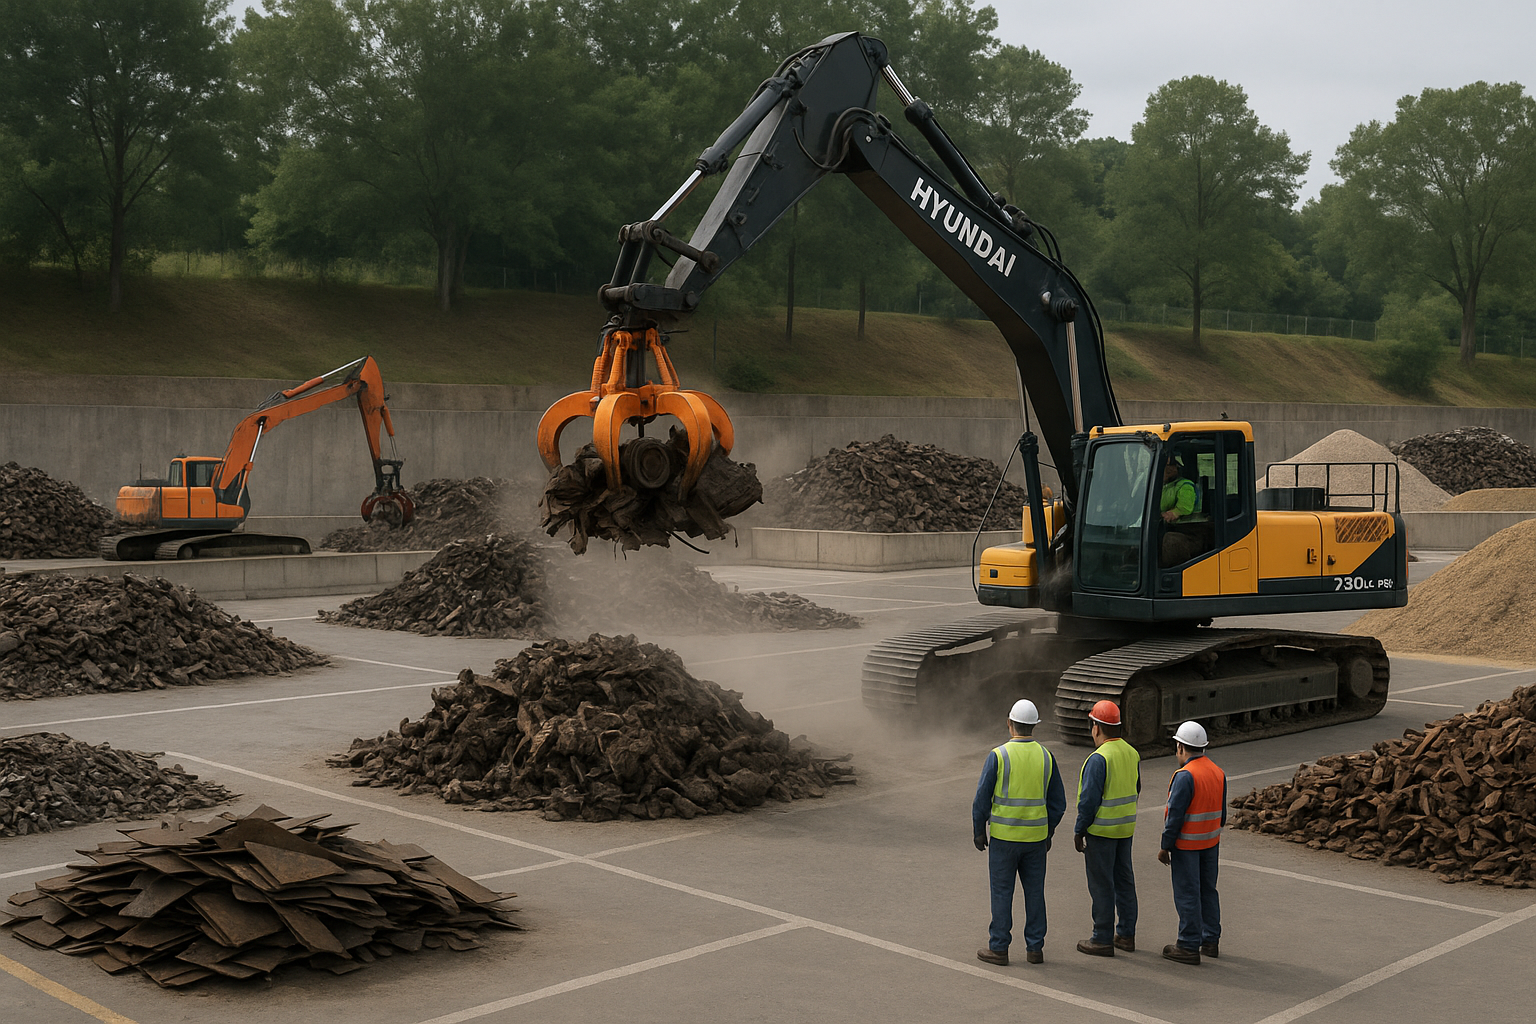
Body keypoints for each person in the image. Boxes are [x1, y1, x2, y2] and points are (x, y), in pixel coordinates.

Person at [973, 698, 1066, 966]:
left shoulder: (999, 755)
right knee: (1035, 893)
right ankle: (1035, 949)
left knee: (1002, 893)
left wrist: (979, 830)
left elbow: (981, 799)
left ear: (1009, 723)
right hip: (1035, 842)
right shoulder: (1046, 757)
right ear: (1034, 726)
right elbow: (1058, 803)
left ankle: (999, 948)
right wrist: (1047, 832)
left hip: (1004, 840)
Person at [1072, 700, 1141, 957]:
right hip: (1125, 829)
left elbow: (1089, 800)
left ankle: (1101, 938)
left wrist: (1080, 829)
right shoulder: (1132, 753)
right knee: (1124, 882)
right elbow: (1137, 788)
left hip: (1101, 832)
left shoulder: (1099, 758)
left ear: (1096, 727)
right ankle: (1126, 935)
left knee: (1102, 884)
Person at [1157, 721, 1226, 965]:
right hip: (1211, 842)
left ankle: (1187, 945)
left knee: (1187, 894)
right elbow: (1223, 814)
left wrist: (1165, 846)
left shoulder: (1185, 776)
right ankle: (1210, 940)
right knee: (1208, 891)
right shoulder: (1218, 772)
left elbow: (1174, 816)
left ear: (1180, 747)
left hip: (1186, 846)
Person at [1160, 454, 1202, 566]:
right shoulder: (1163, 486)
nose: (1166, 470)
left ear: (1175, 469)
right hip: (1166, 527)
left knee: (1170, 542)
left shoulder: (1185, 486)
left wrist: (1174, 513)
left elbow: (1185, 507)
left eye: (1169, 466)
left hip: (1189, 531)